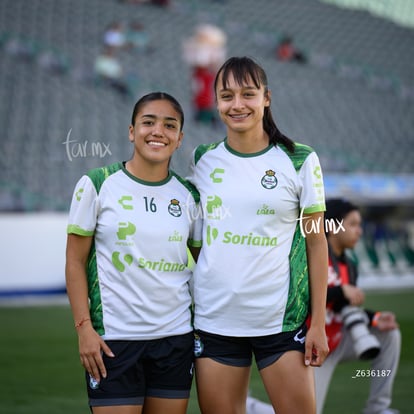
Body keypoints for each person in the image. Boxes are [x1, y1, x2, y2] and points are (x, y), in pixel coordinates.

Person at [187, 56, 329, 414]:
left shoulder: (299, 159)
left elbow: (316, 242)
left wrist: (319, 324)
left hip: (280, 323)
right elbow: (196, 239)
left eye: (247, 94)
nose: (237, 105)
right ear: (216, 102)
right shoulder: (203, 159)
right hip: (215, 320)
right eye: (226, 96)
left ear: (266, 97)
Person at [65, 92, 201, 414]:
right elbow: (74, 261)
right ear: (131, 131)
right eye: (148, 122)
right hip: (114, 340)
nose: (158, 131)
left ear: (179, 138)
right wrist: (84, 328)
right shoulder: (97, 184)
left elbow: (198, 261)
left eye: (169, 125)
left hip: (175, 339)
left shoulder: (189, 196)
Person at [314, 198, 401, 414]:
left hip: (337, 339)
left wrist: (374, 318)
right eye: (353, 224)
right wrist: (339, 291)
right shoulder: (311, 256)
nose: (359, 231)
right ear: (333, 226)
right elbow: (300, 300)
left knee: (389, 335)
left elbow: (341, 307)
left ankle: (378, 409)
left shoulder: (350, 266)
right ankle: (250, 407)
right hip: (312, 347)